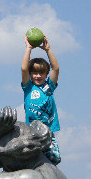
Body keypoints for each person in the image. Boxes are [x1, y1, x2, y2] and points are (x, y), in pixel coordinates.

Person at [21, 33, 61, 164]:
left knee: (56, 158)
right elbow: (23, 68)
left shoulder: (49, 87)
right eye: (35, 73)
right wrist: (28, 48)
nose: (38, 76)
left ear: (46, 74)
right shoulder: (28, 87)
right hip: (31, 131)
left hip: (47, 131)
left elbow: (56, 68)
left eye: (41, 73)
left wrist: (48, 50)